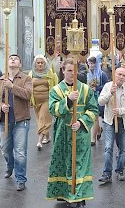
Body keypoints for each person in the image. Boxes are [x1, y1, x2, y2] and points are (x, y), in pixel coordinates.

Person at [46, 59, 98, 208]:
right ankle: (64, 193)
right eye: (69, 71)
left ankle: (78, 195)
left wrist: (81, 122)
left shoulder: (86, 89)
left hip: (80, 133)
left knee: (80, 164)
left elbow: (93, 110)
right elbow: (54, 110)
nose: (72, 74)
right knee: (64, 163)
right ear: (63, 71)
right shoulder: (56, 90)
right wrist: (67, 100)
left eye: (74, 71)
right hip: (63, 133)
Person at [0, 54, 32, 191]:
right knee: (5, 149)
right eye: (10, 58)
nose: (13, 59)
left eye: (16, 58)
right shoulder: (0, 80)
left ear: (19, 64)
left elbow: (27, 95)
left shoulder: (26, 78)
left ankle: (21, 178)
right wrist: (1, 106)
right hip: (4, 121)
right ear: (7, 63)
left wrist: (12, 86)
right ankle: (10, 166)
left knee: (20, 151)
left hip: (21, 120)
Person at [98, 67, 125, 183]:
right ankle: (107, 173)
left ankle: (120, 170)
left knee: (124, 149)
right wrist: (110, 93)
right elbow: (100, 101)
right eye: (119, 74)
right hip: (110, 121)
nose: (121, 77)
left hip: (124, 121)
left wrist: (121, 111)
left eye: (123, 75)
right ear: (114, 75)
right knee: (108, 147)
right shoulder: (108, 86)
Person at [28, 55, 58, 150]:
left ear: (45, 64)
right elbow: (28, 88)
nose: (40, 64)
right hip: (36, 101)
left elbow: (56, 87)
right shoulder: (30, 74)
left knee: (43, 118)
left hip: (47, 100)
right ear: (35, 64)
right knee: (41, 120)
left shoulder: (51, 74)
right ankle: (47, 137)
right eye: (38, 63)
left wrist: (56, 99)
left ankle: (39, 141)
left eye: (42, 63)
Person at [86, 56, 108, 146]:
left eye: (93, 63)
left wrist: (97, 88)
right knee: (94, 117)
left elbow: (107, 86)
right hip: (88, 98)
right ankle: (98, 130)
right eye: (90, 63)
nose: (91, 65)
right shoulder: (86, 74)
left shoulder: (101, 74)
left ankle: (92, 139)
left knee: (95, 117)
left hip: (98, 98)